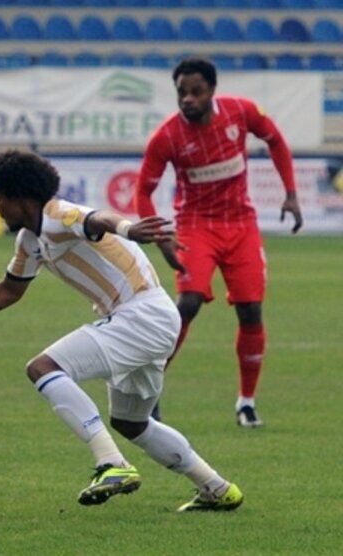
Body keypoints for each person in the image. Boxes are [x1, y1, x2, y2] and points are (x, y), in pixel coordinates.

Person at [0, 150, 243, 512]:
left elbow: (98, 219)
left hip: (141, 315)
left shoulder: (57, 214)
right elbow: (9, 290)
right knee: (131, 422)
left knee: (43, 368)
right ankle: (216, 487)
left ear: (21, 196)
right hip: (150, 319)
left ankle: (112, 464)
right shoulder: (30, 240)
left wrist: (129, 229)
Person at [135, 57, 303, 427]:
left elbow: (276, 141)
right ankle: (149, 391)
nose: (188, 99)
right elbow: (143, 191)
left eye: (196, 92)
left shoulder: (240, 113)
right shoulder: (167, 137)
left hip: (242, 225)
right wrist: (161, 235)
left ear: (212, 90)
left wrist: (290, 193)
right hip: (196, 226)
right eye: (182, 92)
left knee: (251, 311)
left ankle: (246, 403)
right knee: (187, 303)